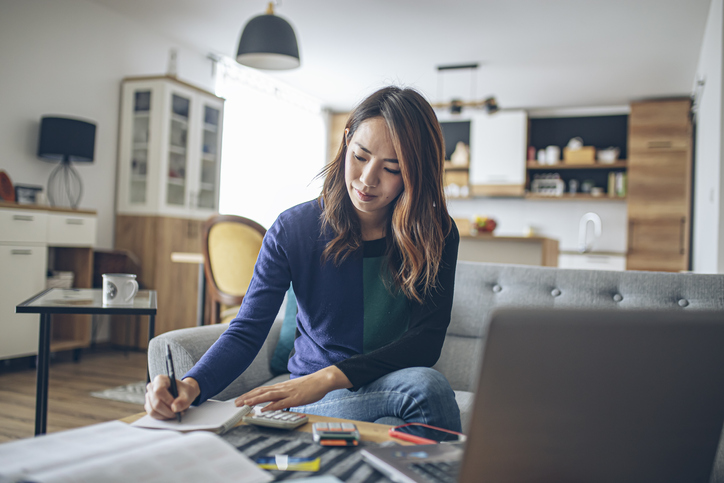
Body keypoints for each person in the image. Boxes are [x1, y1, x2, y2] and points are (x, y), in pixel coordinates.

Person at [145, 86, 461, 431]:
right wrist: (190, 386)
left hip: (384, 383)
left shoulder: (435, 233)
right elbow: (247, 330)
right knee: (424, 394)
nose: (368, 180)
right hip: (318, 397)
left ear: (416, 173)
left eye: (392, 168)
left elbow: (426, 341)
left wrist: (326, 377)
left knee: (418, 393)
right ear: (346, 140)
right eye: (360, 157)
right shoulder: (294, 229)